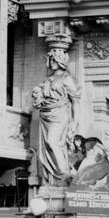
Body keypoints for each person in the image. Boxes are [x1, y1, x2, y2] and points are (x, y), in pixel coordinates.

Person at [30, 47, 81, 187]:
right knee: (48, 145)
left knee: (53, 142)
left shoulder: (67, 78)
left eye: (54, 60)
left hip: (60, 115)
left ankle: (63, 173)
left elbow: (75, 101)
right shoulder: (49, 79)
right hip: (46, 115)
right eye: (50, 60)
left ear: (60, 61)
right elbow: (41, 99)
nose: (52, 62)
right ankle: (55, 177)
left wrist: (74, 122)